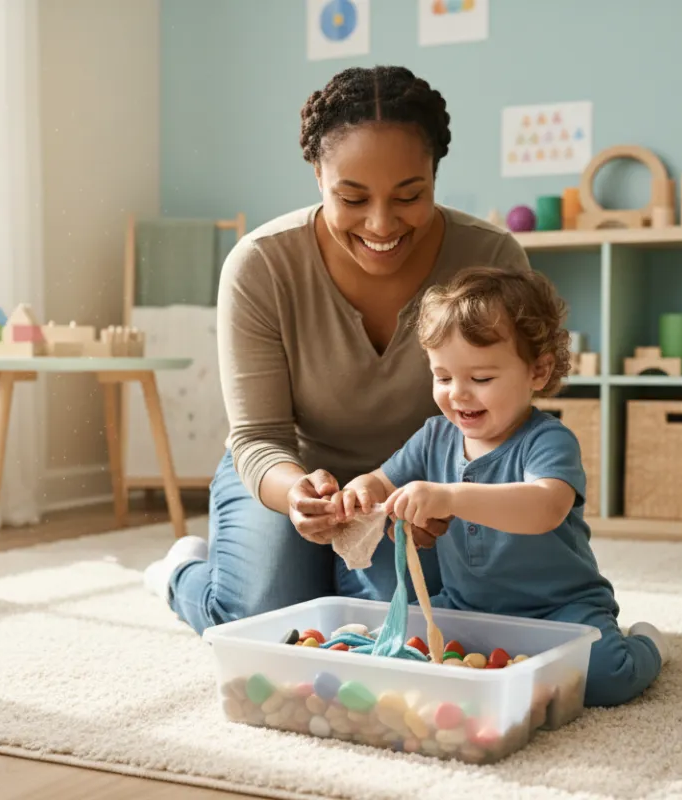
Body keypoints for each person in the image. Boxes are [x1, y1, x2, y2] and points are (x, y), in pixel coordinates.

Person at [141, 65, 534, 635]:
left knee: (411, 627)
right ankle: (181, 572)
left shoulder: (492, 258)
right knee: (259, 621)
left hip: (418, 483)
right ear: (317, 176)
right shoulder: (262, 265)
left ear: (434, 176)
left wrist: (451, 498)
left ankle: (321, 574)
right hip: (291, 468)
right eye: (351, 197)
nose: (381, 224)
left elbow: (508, 424)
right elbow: (257, 436)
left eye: (410, 196)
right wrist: (296, 494)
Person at [331, 266, 670, 707]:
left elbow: (544, 506)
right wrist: (361, 490)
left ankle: (650, 647)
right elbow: (380, 479)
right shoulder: (434, 436)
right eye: (443, 377)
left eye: (481, 379)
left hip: (559, 607)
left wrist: (449, 496)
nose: (458, 394)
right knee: (401, 650)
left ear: (538, 371)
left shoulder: (547, 440)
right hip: (466, 605)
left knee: (606, 677)